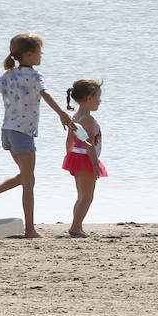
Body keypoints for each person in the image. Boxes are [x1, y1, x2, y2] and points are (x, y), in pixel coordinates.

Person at [0, 32, 73, 238]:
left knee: (25, 176)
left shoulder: (8, 75)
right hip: (23, 132)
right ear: (29, 54)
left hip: (8, 131)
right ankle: (29, 229)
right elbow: (45, 93)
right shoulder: (34, 76)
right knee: (29, 183)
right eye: (39, 51)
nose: (42, 55)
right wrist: (62, 114)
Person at [61, 78, 108, 237]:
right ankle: (76, 227)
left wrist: (69, 158)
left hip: (77, 158)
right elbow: (90, 146)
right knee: (87, 197)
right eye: (98, 97)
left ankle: (76, 224)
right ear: (89, 98)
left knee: (81, 195)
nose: (100, 101)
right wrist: (95, 166)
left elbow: (69, 141)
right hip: (87, 160)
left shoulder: (75, 117)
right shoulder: (88, 119)